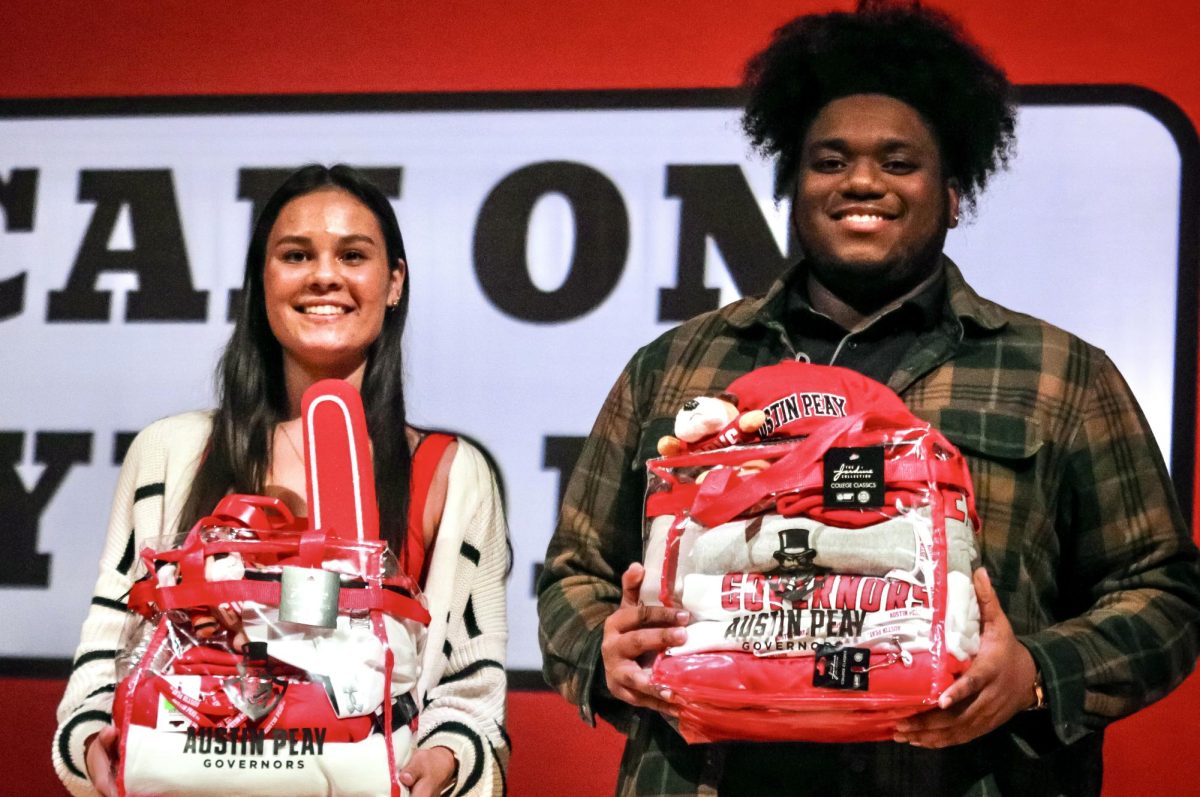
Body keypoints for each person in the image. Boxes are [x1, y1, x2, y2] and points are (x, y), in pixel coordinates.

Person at [537, 2, 1200, 795]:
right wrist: (605, 653)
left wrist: (1032, 673)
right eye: (829, 160)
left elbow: (1163, 594)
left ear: (954, 193)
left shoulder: (1062, 374)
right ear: (792, 183)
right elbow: (575, 574)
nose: (860, 180)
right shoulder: (674, 365)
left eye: (898, 161)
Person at [53, 164, 510, 797]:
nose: (325, 275)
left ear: (394, 282)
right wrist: (88, 743)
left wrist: (447, 764)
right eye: (296, 255)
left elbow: (472, 692)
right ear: (262, 281)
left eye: (353, 255)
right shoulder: (169, 454)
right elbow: (109, 646)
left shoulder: (452, 476)